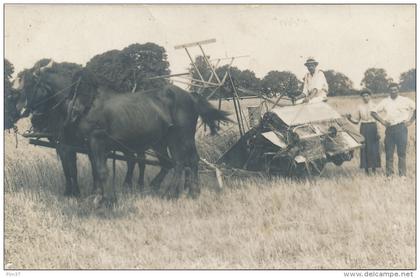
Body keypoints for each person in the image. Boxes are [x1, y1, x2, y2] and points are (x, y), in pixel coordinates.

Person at [371, 83, 416, 177]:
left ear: (398, 90)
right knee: (389, 153)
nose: (393, 91)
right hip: (390, 129)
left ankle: (402, 175)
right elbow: (373, 112)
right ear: (389, 91)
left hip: (401, 128)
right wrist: (383, 121)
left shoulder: (405, 100)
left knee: (401, 153)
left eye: (395, 89)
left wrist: (411, 121)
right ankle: (389, 175)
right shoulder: (385, 101)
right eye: (391, 90)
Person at [346, 89, 381, 175]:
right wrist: (349, 118)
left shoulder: (375, 106)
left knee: (373, 148)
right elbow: (356, 121)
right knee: (365, 148)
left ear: (370, 96)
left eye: (367, 95)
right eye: (363, 96)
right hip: (364, 128)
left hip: (373, 127)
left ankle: (374, 169)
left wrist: (379, 132)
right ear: (361, 97)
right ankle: (366, 169)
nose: (365, 98)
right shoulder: (359, 107)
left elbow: (378, 120)